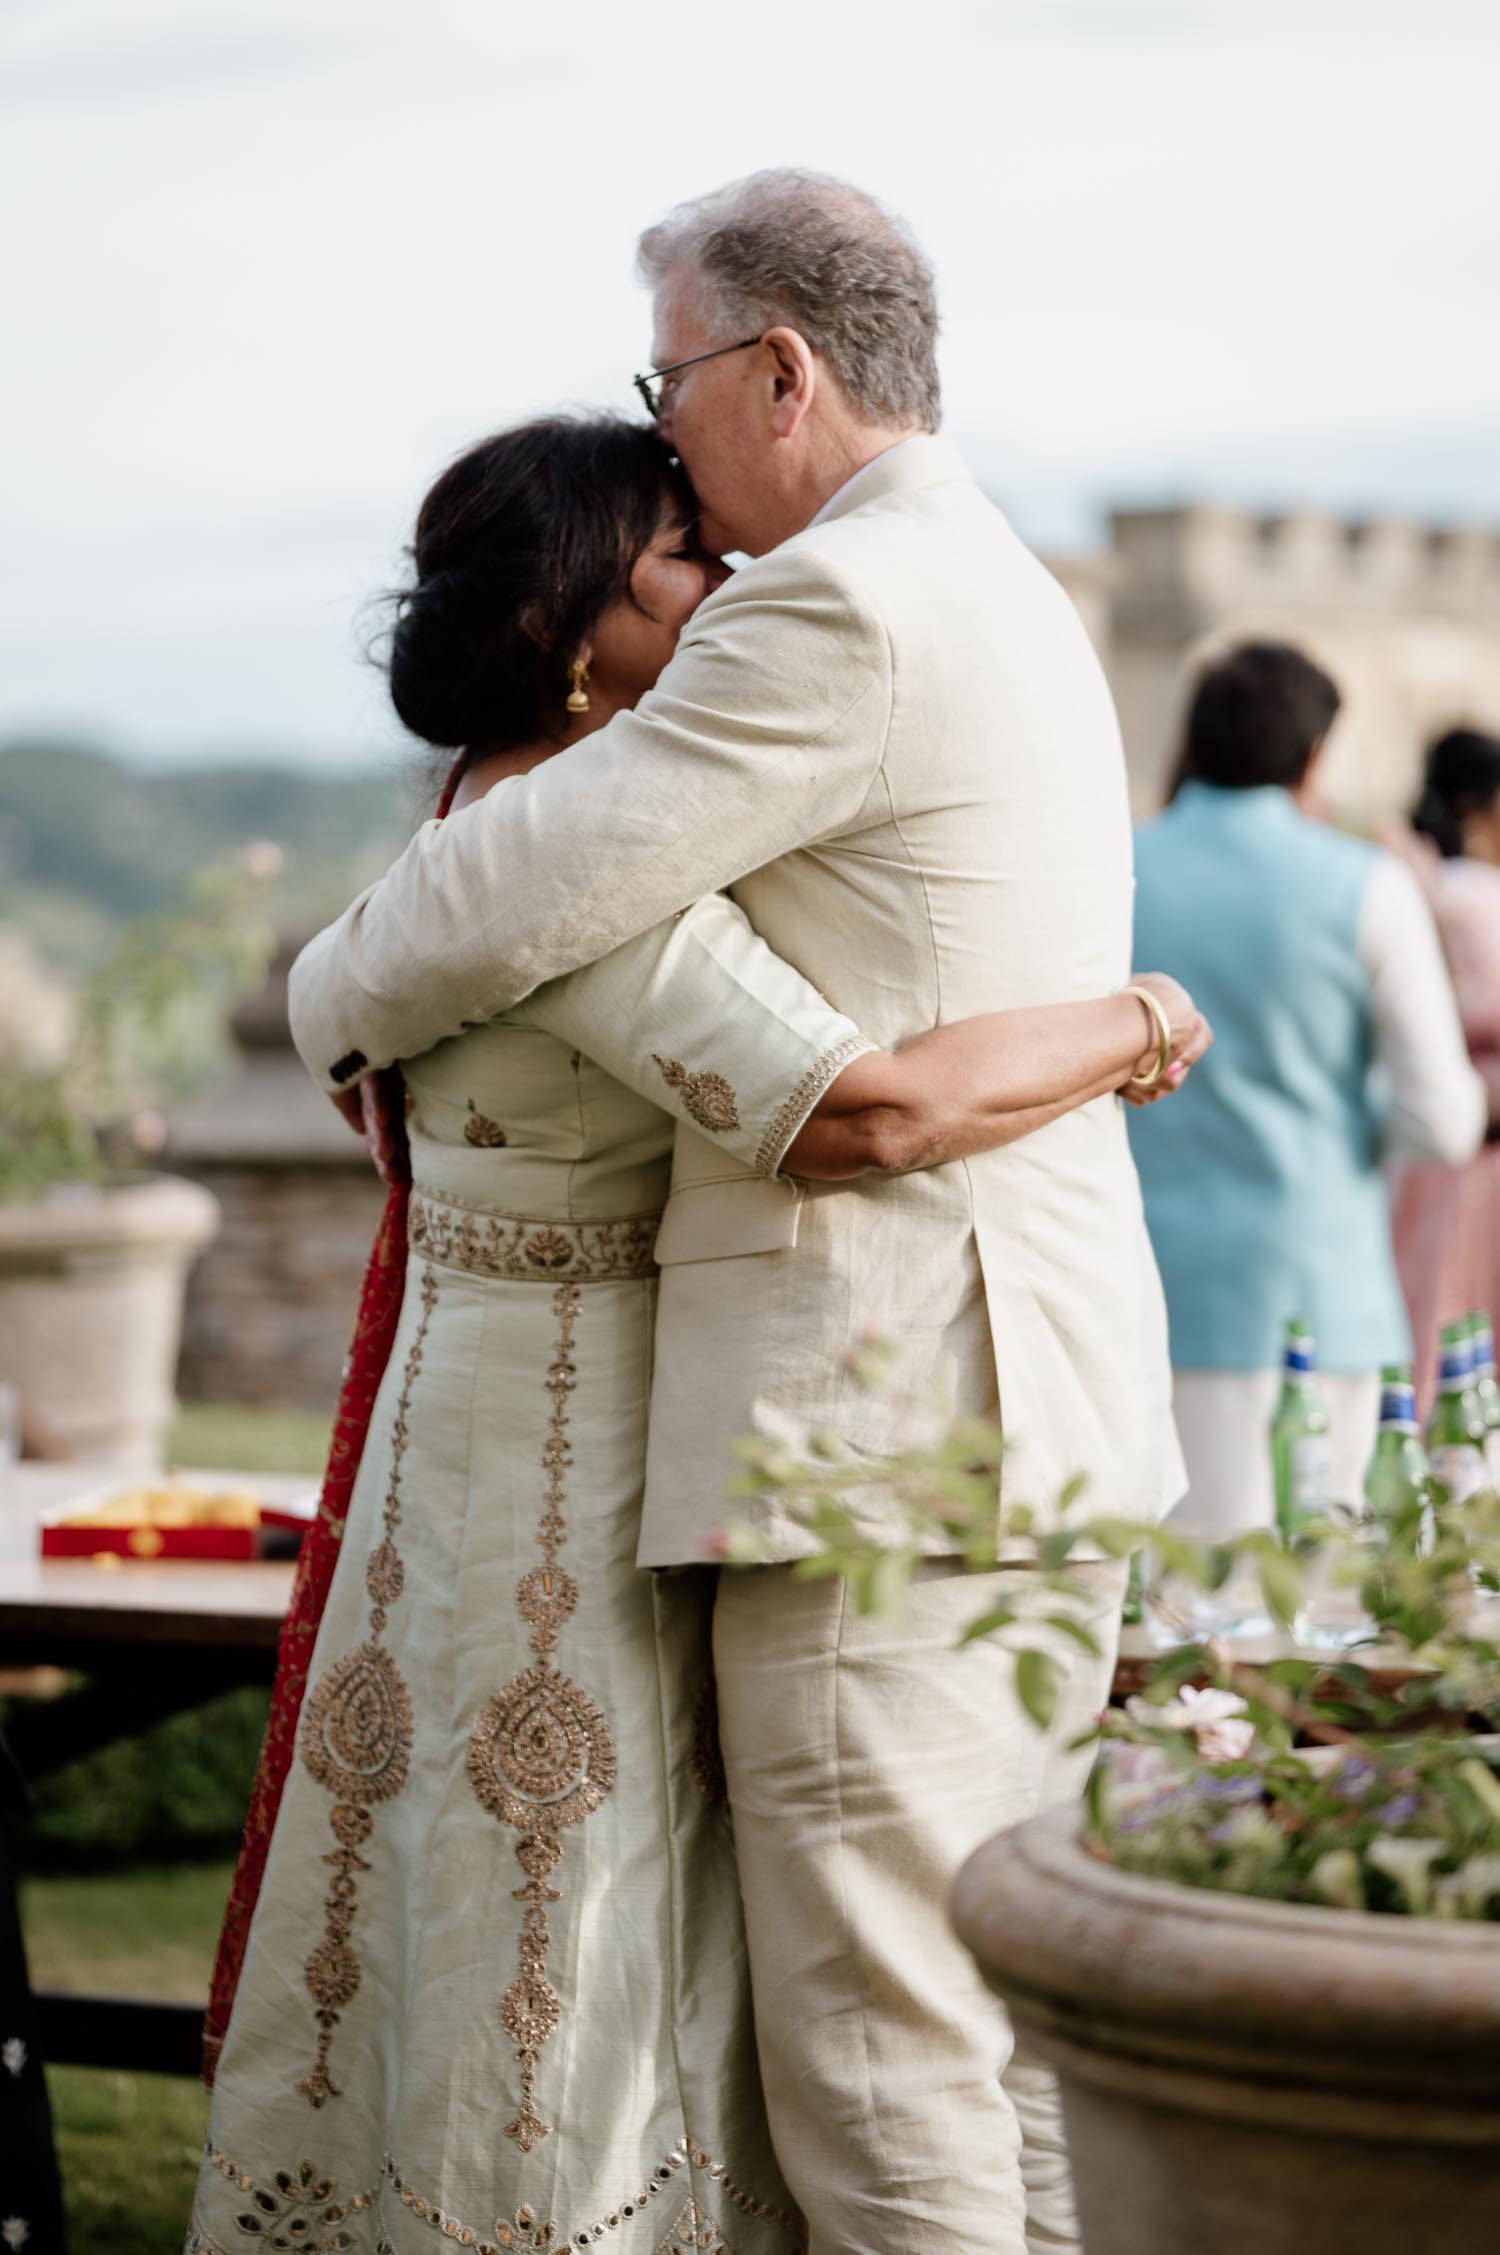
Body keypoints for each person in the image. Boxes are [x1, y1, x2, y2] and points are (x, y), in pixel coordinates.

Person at [192, 407, 1204, 2255]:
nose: (728, 582)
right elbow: (855, 1107)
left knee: (497, 1911)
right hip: (560, 1482)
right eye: (682, 562)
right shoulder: (583, 889)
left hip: (479, 1442)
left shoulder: (472, 834)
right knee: (563, 1922)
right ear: (582, 631)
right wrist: (1135, 1019)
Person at [1129, 643, 1483, 1534]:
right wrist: (1345, 1106)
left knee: (1153, 1623)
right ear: (1314, 753)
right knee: (1302, 1620)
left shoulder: (1115, 868)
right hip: (1316, 1298)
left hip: (1136, 1285)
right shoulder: (1366, 885)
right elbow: (1443, 1121)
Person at [1391, 727, 1500, 1404]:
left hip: (1425, 1139)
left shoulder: (1416, 887)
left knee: (1431, 1295)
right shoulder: (1478, 896)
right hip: (1486, 1145)